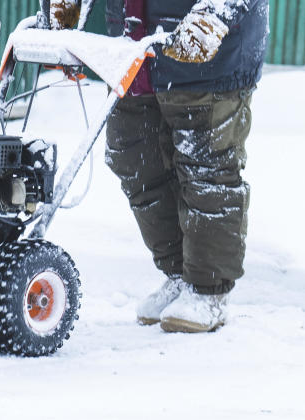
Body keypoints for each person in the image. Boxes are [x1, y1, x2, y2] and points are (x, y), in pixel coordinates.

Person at [44, 0, 269, 333]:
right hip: (135, 45)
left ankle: (208, 290)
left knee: (206, 168)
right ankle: (179, 274)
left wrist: (217, 13)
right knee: (133, 157)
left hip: (208, 51)